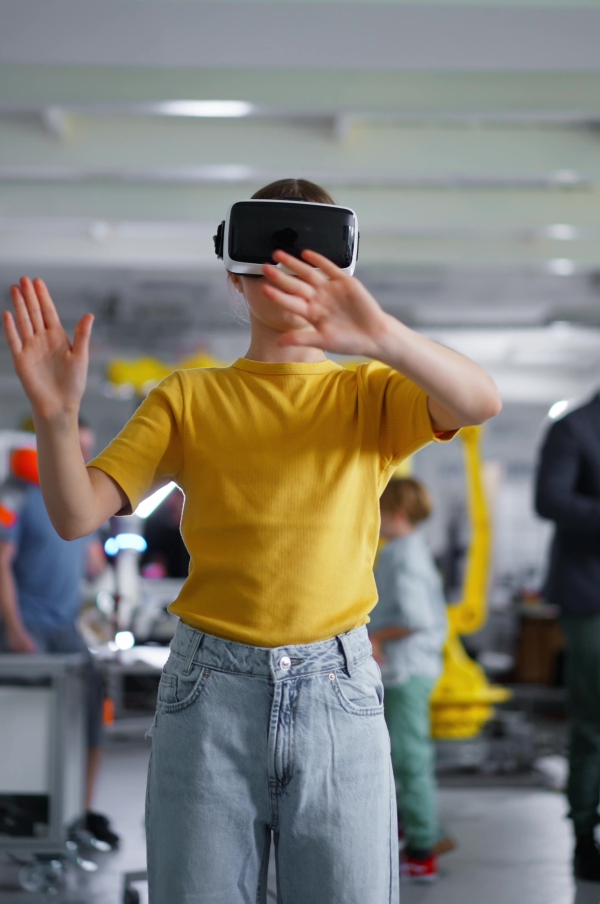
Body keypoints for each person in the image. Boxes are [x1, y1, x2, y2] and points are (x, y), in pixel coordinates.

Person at [2, 178, 501, 903]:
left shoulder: (369, 392)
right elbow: (79, 514)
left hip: (340, 690)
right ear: (234, 273)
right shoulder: (188, 396)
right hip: (210, 693)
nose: (289, 277)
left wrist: (379, 335)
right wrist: (55, 416)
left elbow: (479, 400)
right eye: (270, 258)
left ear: (344, 271)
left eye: (313, 261)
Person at [0, 418, 119, 850]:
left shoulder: (81, 498)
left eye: (85, 449)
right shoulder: (19, 496)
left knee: (92, 718)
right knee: (27, 726)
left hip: (68, 631)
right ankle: (26, 815)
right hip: (30, 629)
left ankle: (80, 816)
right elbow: (2, 566)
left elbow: (92, 564)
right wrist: (15, 629)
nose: (80, 456)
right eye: (74, 447)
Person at [369, 477, 448, 883]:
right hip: (410, 667)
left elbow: (415, 619)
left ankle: (422, 848)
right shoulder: (408, 550)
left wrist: (376, 636)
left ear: (395, 514)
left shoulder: (402, 555)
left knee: (409, 758)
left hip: (407, 669)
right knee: (403, 754)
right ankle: (412, 834)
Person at [535, 392, 600, 882]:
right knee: (594, 723)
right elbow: (549, 499)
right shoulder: (575, 428)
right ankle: (584, 837)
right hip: (589, 596)